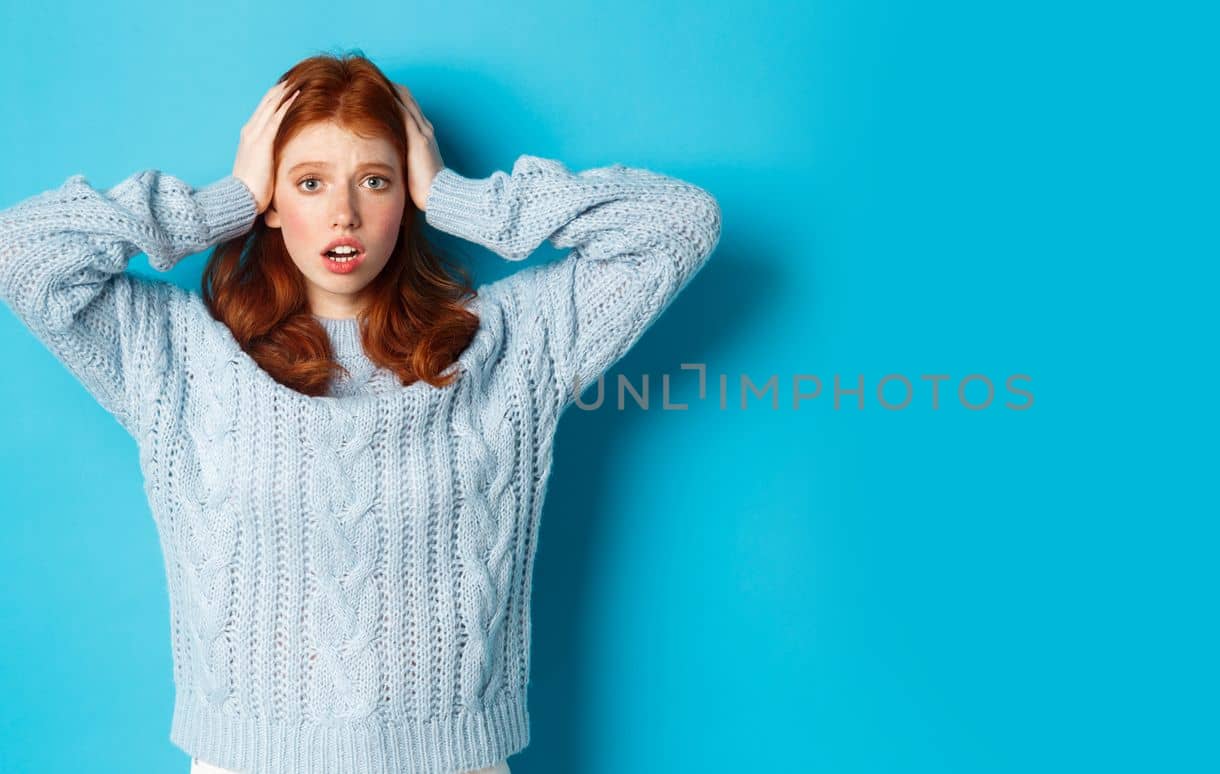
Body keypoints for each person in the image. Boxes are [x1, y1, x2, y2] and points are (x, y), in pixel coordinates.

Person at [0, 52, 721, 774]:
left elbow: (679, 223)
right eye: (309, 183)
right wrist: (227, 198)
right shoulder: (181, 356)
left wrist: (454, 196)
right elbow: (22, 253)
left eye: (374, 181)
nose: (343, 212)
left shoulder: (511, 343)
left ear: (403, 196)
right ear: (273, 205)